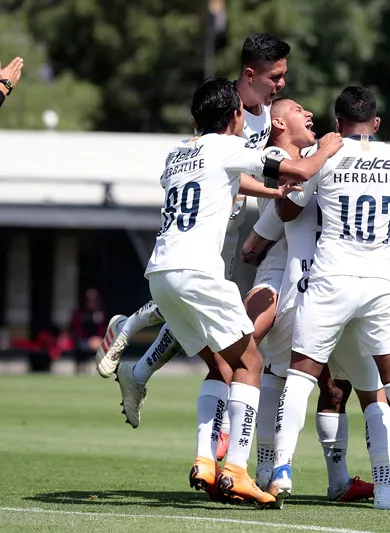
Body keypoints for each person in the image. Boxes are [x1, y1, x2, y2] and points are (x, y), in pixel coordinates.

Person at [144, 76, 342, 506]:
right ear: (235, 116)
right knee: (250, 362)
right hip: (198, 271)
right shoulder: (228, 147)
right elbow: (302, 170)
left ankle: (204, 460)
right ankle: (236, 470)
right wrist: (327, 147)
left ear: (195, 118)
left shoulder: (177, 154)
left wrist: (271, 190)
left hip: (160, 273)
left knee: (220, 365)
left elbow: (227, 180)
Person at [96, 34, 294, 446]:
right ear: (249, 75)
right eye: (274, 77)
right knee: (204, 318)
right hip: (204, 228)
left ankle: (139, 370)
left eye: (283, 76)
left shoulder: (261, 118)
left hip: (226, 228)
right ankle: (129, 327)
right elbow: (224, 169)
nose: (281, 85)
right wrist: (282, 182)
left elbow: (235, 174)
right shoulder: (222, 111)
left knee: (191, 316)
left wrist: (272, 189)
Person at [268, 86, 390, 512]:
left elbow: (289, 208)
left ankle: (282, 470)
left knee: (302, 377)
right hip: (382, 284)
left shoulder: (324, 154)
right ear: (376, 123)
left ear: (337, 122)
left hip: (331, 280)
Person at [241, 98, 375, 505]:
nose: (309, 114)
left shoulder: (319, 159)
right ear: (279, 122)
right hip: (295, 279)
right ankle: (263, 467)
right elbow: (276, 218)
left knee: (330, 384)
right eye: (299, 110)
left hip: (328, 284)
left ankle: (333, 479)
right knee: (272, 369)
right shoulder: (276, 158)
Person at [71, 288, 108, 374]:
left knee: (106, 346)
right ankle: (80, 370)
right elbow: (76, 331)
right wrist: (89, 342)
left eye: (95, 300)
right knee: (81, 346)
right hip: (82, 341)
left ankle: (105, 370)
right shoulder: (79, 313)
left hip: (98, 341)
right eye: (90, 300)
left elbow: (104, 330)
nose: (93, 303)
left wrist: (98, 339)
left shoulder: (101, 313)